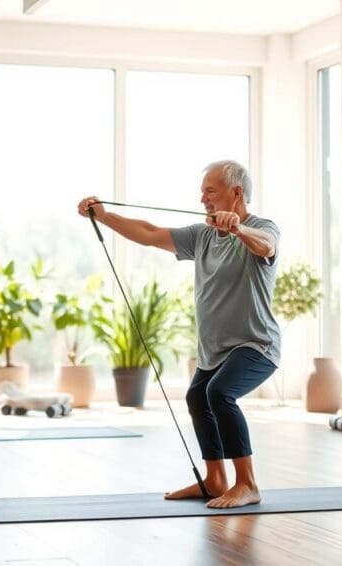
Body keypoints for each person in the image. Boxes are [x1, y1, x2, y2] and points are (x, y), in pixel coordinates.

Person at [78, 160, 280, 509]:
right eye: (202, 192)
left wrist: (239, 230)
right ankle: (215, 480)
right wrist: (104, 216)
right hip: (215, 350)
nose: (202, 199)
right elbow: (149, 232)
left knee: (219, 393)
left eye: (210, 191)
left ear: (236, 193)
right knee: (197, 397)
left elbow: (266, 246)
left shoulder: (262, 227)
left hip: (256, 345)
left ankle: (247, 484)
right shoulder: (201, 236)